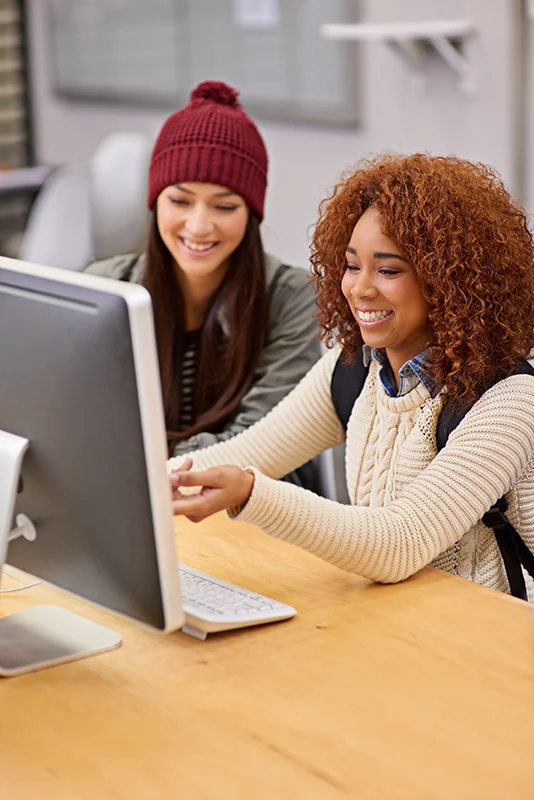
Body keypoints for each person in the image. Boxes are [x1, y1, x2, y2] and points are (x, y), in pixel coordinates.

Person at [168, 153, 534, 598]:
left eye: (388, 269)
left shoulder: (510, 401)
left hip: (492, 645)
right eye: (351, 265)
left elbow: (398, 542)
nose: (360, 289)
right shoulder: (352, 370)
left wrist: (250, 493)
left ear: (450, 280)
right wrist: (138, 480)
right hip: (396, 619)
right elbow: (241, 454)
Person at [86, 80, 321, 491]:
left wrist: (159, 471)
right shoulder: (106, 286)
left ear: (251, 213)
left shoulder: (289, 296)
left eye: (225, 206)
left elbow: (263, 441)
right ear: (155, 201)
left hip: (255, 505)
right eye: (179, 201)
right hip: (134, 495)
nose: (198, 226)